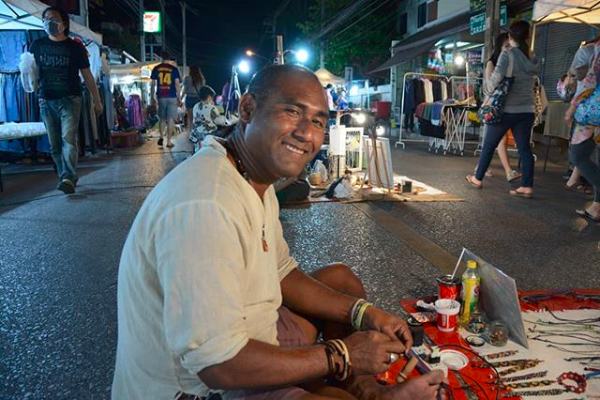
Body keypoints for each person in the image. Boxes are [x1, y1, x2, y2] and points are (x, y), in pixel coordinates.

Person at [112, 64, 446, 400]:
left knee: (341, 281)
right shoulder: (206, 203)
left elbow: (281, 272)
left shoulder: (251, 175)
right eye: (292, 111)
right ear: (247, 109)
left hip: (253, 329)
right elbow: (218, 364)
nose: (306, 132)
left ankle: (367, 390)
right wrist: (341, 354)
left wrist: (365, 312)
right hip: (201, 384)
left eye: (318, 121)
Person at [29, 6, 103, 194]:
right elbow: (31, 73)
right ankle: (64, 175)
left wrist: (97, 100)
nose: (48, 22)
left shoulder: (75, 47)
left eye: (53, 18)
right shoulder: (36, 46)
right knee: (54, 144)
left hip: (71, 99)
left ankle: (69, 176)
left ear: (63, 23)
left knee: (68, 138)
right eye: (45, 19)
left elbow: (87, 76)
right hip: (46, 99)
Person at [466, 20, 539, 198]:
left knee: (489, 145)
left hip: (506, 110)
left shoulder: (508, 55)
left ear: (510, 36)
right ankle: (527, 186)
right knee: (524, 149)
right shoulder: (533, 57)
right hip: (527, 109)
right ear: (528, 37)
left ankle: (477, 178)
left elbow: (495, 80)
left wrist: (485, 90)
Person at [475, 33, 521, 182]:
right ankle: (507, 171)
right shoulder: (492, 63)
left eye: (510, 46)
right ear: (499, 48)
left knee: (495, 139)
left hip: (503, 106)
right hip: (492, 106)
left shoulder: (511, 63)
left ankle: (481, 169)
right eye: (506, 46)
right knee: (498, 139)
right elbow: (489, 86)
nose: (509, 49)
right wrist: (486, 104)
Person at [565, 35, 600, 221]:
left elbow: (587, 81)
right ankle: (597, 207)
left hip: (594, 112)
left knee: (577, 155)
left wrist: (571, 108)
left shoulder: (592, 49)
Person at [150, 55, 182, 148]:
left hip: (161, 96)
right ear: (170, 59)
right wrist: (179, 97)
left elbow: (152, 84)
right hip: (172, 96)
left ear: (161, 58)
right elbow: (177, 84)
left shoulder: (156, 68)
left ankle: (161, 137)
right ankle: (168, 141)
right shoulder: (174, 69)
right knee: (171, 119)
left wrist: (152, 97)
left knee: (162, 118)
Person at [190, 85, 228, 153]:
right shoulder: (211, 108)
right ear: (209, 97)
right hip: (208, 134)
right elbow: (218, 121)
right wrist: (224, 119)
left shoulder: (195, 106)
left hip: (196, 133)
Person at [181, 65, 206, 129]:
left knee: (190, 118)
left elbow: (185, 90)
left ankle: (190, 132)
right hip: (198, 99)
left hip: (189, 98)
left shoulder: (187, 78)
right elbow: (202, 90)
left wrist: (180, 99)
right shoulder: (202, 79)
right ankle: (197, 131)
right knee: (197, 117)